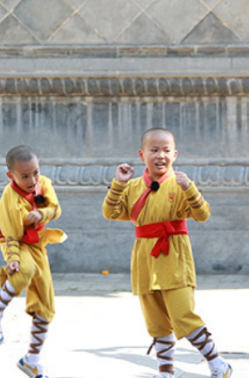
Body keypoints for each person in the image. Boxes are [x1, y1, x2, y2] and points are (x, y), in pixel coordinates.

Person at [102, 128, 232, 378]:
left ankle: (217, 363)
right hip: (144, 259)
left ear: (175, 154)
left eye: (165, 150)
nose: (160, 155)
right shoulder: (132, 187)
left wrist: (191, 189)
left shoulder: (180, 183)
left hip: (174, 257)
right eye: (154, 150)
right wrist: (118, 183)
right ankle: (166, 372)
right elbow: (110, 212)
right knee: (156, 321)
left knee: (184, 315)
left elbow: (203, 214)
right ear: (142, 154)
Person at [0, 145, 67, 378]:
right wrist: (13, 260)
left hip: (38, 245)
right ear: (11, 176)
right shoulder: (8, 200)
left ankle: (32, 359)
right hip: (16, 243)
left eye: (35, 172)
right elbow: (10, 235)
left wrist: (43, 214)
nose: (32, 179)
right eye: (25, 176)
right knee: (22, 271)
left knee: (46, 307)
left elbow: (55, 208)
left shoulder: (44, 183)